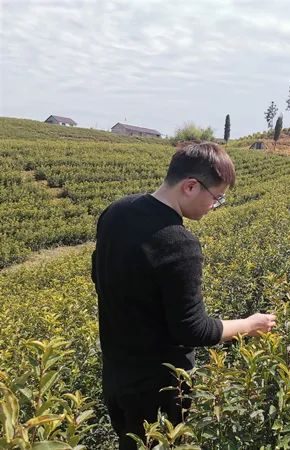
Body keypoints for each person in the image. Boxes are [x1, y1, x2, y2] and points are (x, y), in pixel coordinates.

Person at [92, 141, 276, 450]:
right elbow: (192, 329)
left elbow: (98, 276)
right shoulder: (178, 243)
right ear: (190, 186)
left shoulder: (116, 212)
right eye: (216, 198)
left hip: (116, 377)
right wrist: (249, 325)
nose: (214, 206)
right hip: (160, 390)